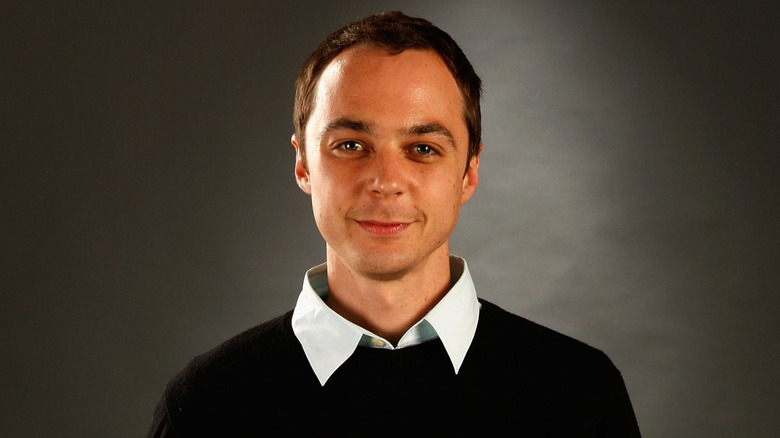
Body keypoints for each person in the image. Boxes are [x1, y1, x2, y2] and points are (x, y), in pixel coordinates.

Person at [147, 11, 641, 437]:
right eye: (350, 146)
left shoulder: (580, 397)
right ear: (303, 166)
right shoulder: (205, 407)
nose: (385, 181)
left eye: (423, 149)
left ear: (469, 172)